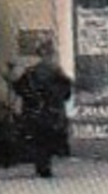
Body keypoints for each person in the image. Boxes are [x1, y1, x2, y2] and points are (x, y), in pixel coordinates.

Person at [13, 41, 72, 179]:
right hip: (52, 113)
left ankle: (42, 166)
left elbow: (20, 89)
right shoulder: (57, 73)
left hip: (34, 113)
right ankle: (45, 167)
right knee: (47, 140)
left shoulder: (30, 73)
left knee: (38, 141)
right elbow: (66, 94)